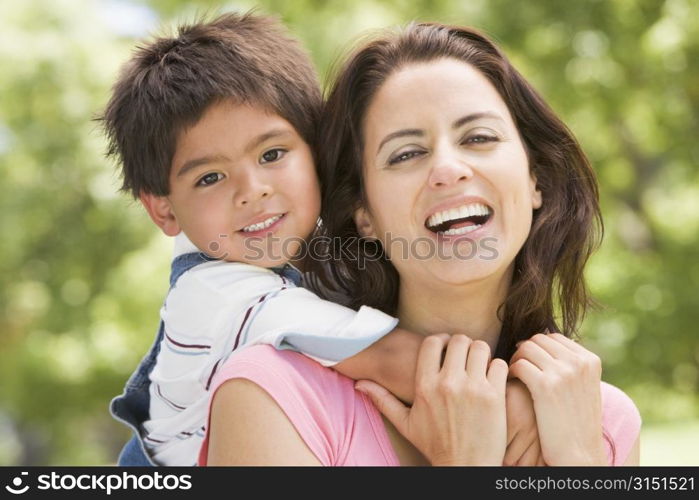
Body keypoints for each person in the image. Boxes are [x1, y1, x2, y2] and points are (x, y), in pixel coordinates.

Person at [200, 22, 641, 466]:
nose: (448, 169)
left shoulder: (601, 420)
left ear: (535, 180)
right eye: (406, 154)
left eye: (478, 138)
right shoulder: (273, 394)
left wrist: (581, 464)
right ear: (363, 215)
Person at [100, 11, 441, 466]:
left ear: (317, 149)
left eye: (273, 153)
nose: (251, 191)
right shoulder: (218, 295)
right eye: (210, 178)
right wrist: (527, 397)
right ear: (163, 208)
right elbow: (398, 362)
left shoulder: (310, 243)